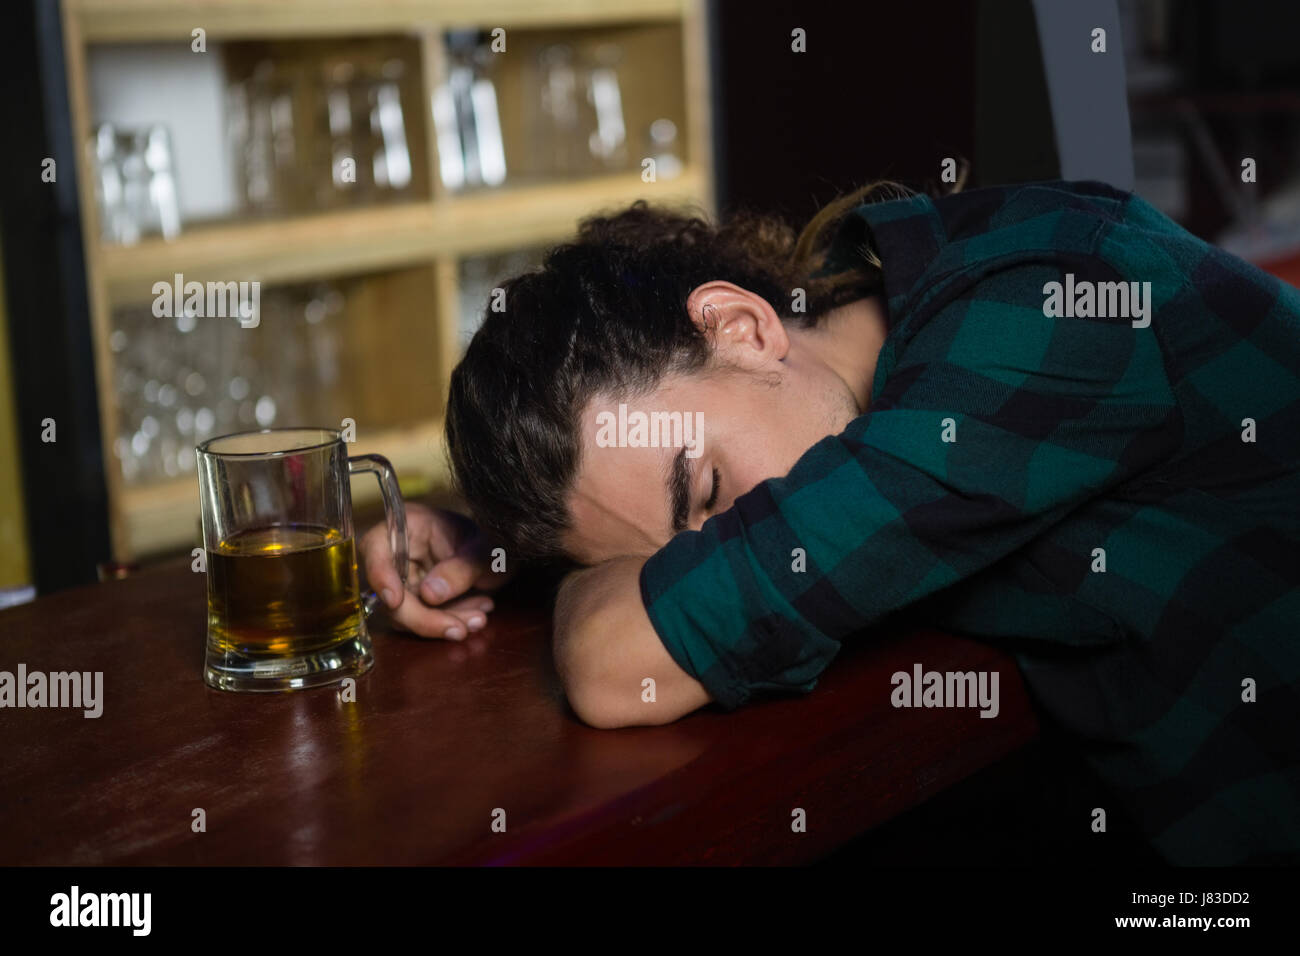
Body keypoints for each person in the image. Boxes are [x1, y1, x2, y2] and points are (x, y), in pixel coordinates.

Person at [360, 177, 1300, 865]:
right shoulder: (873, 365)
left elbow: (614, 667)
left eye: (706, 491)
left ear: (741, 327)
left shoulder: (1044, 306)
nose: (719, 546)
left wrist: (616, 601)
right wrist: (489, 542)